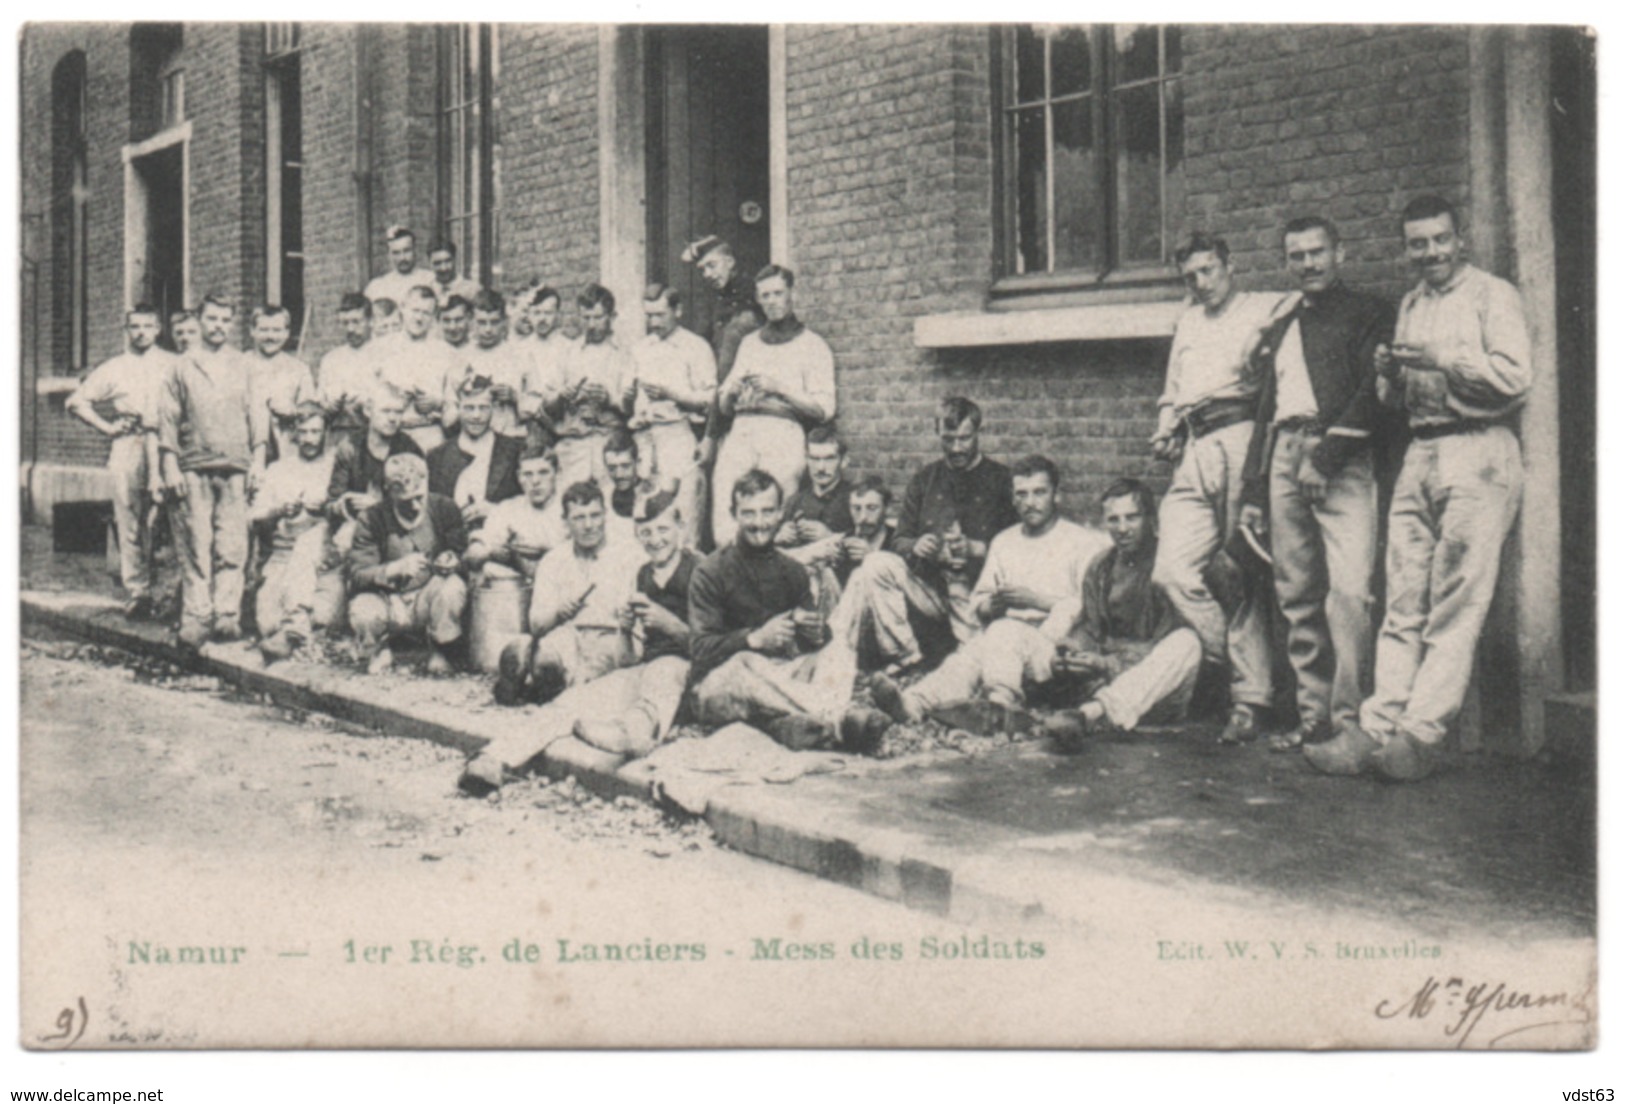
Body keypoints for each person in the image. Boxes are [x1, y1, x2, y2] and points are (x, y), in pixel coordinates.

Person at [1306, 196, 1532, 782]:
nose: (1429, 252)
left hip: (1479, 450)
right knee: (1402, 597)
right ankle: (1377, 729)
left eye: (1438, 239)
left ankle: (1419, 735)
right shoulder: (1411, 302)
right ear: (1405, 248)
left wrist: (1444, 358)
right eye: (1417, 243)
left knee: (1456, 602)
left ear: (1461, 240)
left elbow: (1514, 378)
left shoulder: (1492, 295)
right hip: (1422, 449)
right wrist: (1388, 372)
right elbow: (1395, 400)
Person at [1238, 216, 1395, 752]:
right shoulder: (1284, 323)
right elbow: (1266, 409)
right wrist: (1254, 492)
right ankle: (1313, 719)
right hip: (1284, 453)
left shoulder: (1370, 313)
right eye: (1297, 255)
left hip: (1342, 460)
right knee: (1297, 595)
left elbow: (1371, 397)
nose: (1308, 263)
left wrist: (1325, 459)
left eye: (1318, 252)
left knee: (1349, 593)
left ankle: (1349, 721)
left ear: (1340, 253)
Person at [1150, 232, 1297, 745]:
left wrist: (1268, 344)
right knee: (1172, 570)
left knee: (1242, 571)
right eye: (1190, 276)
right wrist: (1165, 426)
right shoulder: (1188, 320)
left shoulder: (1264, 307)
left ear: (1229, 266)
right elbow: (1172, 391)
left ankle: (1251, 699)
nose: (1201, 283)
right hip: (1193, 447)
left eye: (1209, 270)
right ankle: (1241, 669)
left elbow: (1307, 305)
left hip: (1241, 437)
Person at [461, 486, 699, 794]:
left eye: (664, 530)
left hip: (677, 668)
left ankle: (632, 734)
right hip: (641, 666)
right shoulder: (644, 572)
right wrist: (628, 627)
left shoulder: (701, 571)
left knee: (661, 679)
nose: (656, 540)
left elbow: (716, 643)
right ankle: (495, 758)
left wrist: (669, 625)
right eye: (648, 533)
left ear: (682, 528)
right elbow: (632, 649)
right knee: (568, 705)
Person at [870, 456, 1110, 735]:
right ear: (1013, 498)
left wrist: (1035, 601)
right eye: (1022, 494)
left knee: (1004, 632)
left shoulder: (1082, 542)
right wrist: (992, 605)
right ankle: (913, 704)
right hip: (1003, 647)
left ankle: (999, 702)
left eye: (1039, 492)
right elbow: (979, 605)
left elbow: (1090, 609)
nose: (1030, 502)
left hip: (1055, 650)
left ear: (1057, 495)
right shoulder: (1004, 541)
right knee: (966, 658)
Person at [688, 469, 891, 753]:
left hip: (781, 680)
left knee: (841, 648)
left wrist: (817, 633)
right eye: (748, 513)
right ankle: (838, 718)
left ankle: (791, 728)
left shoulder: (793, 570)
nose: (759, 523)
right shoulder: (710, 572)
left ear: (780, 512)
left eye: (767, 512)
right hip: (722, 685)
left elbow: (812, 645)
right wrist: (753, 639)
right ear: (733, 513)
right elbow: (699, 649)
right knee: (746, 661)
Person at [839, 397, 1018, 674]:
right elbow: (898, 540)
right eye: (948, 439)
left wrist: (974, 548)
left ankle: (966, 655)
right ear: (938, 434)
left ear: (978, 433)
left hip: (979, 592)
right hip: (930, 590)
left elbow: (1020, 545)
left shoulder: (1002, 480)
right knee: (876, 564)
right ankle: (907, 655)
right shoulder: (925, 480)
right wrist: (917, 546)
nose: (956, 447)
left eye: (964, 438)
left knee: (976, 665)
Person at [1039, 480, 1204, 746]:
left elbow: (1162, 649)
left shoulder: (1168, 565)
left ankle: (1090, 715)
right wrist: (1072, 653)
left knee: (1187, 642)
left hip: (1160, 693)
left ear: (1150, 519)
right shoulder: (1101, 566)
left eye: (1132, 518)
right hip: (1105, 682)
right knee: (1058, 625)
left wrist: (1106, 664)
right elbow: (1091, 629)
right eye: (1113, 520)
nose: (1123, 529)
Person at [156, 294, 262, 647]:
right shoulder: (181, 366)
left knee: (232, 544)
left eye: (224, 320)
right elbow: (168, 419)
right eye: (212, 319)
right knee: (196, 543)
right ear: (200, 320)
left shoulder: (244, 365)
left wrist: (258, 459)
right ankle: (197, 616)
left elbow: (257, 415)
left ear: (232, 324)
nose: (218, 326)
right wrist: (169, 463)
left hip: (235, 466)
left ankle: (226, 614)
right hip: (193, 467)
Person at [710, 265, 836, 547]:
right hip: (742, 430)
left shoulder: (813, 345)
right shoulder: (749, 344)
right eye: (765, 295)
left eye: (778, 293)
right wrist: (731, 391)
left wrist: (778, 387)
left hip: (782, 431)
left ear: (792, 294)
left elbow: (824, 409)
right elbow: (724, 406)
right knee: (726, 511)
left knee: (771, 517)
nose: (772, 301)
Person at [493, 480, 645, 706]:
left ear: (606, 516)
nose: (589, 525)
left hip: (614, 637)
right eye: (579, 518)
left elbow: (642, 621)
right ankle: (533, 680)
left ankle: (547, 691)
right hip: (570, 634)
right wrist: (559, 612)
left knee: (595, 673)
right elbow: (537, 624)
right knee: (543, 658)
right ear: (565, 522)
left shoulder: (631, 555)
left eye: (595, 515)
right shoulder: (554, 560)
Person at [66, 303, 174, 617]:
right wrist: (108, 427)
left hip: (165, 444)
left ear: (158, 329)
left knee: (166, 516)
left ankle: (167, 590)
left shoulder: (173, 363)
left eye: (147, 326)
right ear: (127, 331)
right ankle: (138, 591)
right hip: (130, 442)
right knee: (129, 518)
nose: (141, 333)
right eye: (134, 327)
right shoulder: (115, 367)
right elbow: (77, 402)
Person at [346, 452, 469, 676]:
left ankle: (441, 649)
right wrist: (394, 569)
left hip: (427, 597)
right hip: (387, 600)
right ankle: (379, 649)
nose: (414, 506)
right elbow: (357, 574)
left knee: (452, 587)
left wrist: (452, 559)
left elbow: (463, 553)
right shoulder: (371, 518)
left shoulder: (444, 508)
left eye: (419, 497)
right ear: (388, 492)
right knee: (363, 609)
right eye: (405, 501)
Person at [252, 403, 345, 661]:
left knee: (324, 617)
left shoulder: (336, 464)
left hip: (324, 557)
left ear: (326, 432)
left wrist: (326, 509)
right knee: (267, 624)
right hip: (283, 556)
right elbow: (256, 517)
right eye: (303, 432)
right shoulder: (278, 469)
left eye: (316, 432)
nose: (309, 439)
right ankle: (298, 627)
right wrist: (280, 510)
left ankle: (296, 626)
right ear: (294, 432)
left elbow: (351, 510)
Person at [629, 283, 716, 545]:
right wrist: (631, 406)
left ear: (677, 311)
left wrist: (672, 394)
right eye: (649, 315)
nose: (653, 322)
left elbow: (711, 399)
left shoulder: (696, 347)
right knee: (645, 521)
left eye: (660, 315)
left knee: (683, 522)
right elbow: (628, 398)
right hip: (645, 442)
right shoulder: (640, 349)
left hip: (679, 437)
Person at [683, 236, 765, 476]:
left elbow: (727, 368)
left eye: (712, 265)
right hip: (717, 404)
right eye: (702, 269)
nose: (707, 274)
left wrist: (710, 435)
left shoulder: (750, 299)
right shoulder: (713, 299)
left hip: (742, 403)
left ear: (729, 262)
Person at [547, 284, 633, 492]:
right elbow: (548, 407)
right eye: (586, 318)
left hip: (611, 446)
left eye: (598, 317)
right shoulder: (566, 353)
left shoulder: (626, 354)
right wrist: (562, 396)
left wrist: (609, 400)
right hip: (573, 446)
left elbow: (633, 409)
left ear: (612, 317)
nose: (591, 324)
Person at [326, 384, 424, 555]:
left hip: (396, 531)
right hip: (353, 527)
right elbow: (331, 504)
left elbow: (420, 508)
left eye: (398, 412)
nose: (393, 418)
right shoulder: (350, 447)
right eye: (386, 411)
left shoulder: (409, 449)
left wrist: (379, 506)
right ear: (368, 411)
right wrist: (344, 504)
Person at [427, 375, 524, 530]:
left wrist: (496, 511)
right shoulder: (437, 457)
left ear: (493, 408)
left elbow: (529, 506)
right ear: (458, 408)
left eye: (483, 408)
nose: (476, 416)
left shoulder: (514, 451)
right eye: (469, 408)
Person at [372, 285, 459, 451]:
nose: (419, 318)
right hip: (390, 436)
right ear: (403, 309)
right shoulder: (381, 349)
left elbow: (455, 407)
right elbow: (368, 398)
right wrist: (392, 399)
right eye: (415, 310)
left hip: (430, 435)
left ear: (434, 317)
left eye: (426, 313)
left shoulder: (446, 353)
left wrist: (438, 403)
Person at [464, 445, 567, 584]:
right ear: (519, 477)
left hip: (564, 582)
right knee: (487, 570)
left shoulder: (571, 508)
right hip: (522, 585)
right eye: (528, 474)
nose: (535, 481)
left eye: (543, 472)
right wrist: (488, 550)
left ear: (557, 473)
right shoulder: (509, 509)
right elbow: (474, 554)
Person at [457, 289, 545, 443]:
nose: (488, 329)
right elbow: (451, 403)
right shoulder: (462, 357)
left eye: (494, 322)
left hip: (510, 438)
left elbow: (536, 401)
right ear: (471, 321)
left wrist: (515, 397)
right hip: (471, 441)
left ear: (504, 321)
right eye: (482, 322)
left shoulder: (521, 355)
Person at [247, 304, 321, 465]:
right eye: (264, 330)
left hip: (286, 449)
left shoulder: (298, 369)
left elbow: (311, 413)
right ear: (252, 331)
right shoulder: (240, 365)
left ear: (287, 333)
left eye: (277, 330)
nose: (270, 336)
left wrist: (292, 411)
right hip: (246, 451)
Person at [319, 293, 379, 433]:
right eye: (345, 323)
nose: (350, 329)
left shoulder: (385, 355)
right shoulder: (330, 359)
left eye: (356, 322)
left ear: (371, 321)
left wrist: (365, 402)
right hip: (339, 432)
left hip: (374, 433)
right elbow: (320, 401)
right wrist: (329, 405)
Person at [364, 224, 436, 307]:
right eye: (396, 253)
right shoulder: (378, 286)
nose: (402, 258)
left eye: (407, 251)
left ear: (415, 250)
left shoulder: (430, 280)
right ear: (389, 255)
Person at [426, 240, 480, 311]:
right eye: (437, 263)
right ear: (429, 263)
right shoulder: (427, 290)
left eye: (448, 261)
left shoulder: (473, 290)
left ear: (455, 259)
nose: (444, 268)